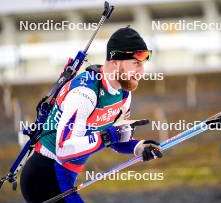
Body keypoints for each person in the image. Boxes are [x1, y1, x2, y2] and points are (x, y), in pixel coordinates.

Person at [20, 26, 163, 203]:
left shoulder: (124, 94)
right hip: (44, 178)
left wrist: (139, 147)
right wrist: (108, 136)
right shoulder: (84, 94)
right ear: (115, 61)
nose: (142, 71)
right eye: (136, 63)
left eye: (143, 64)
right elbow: (64, 149)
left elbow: (116, 138)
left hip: (65, 179)